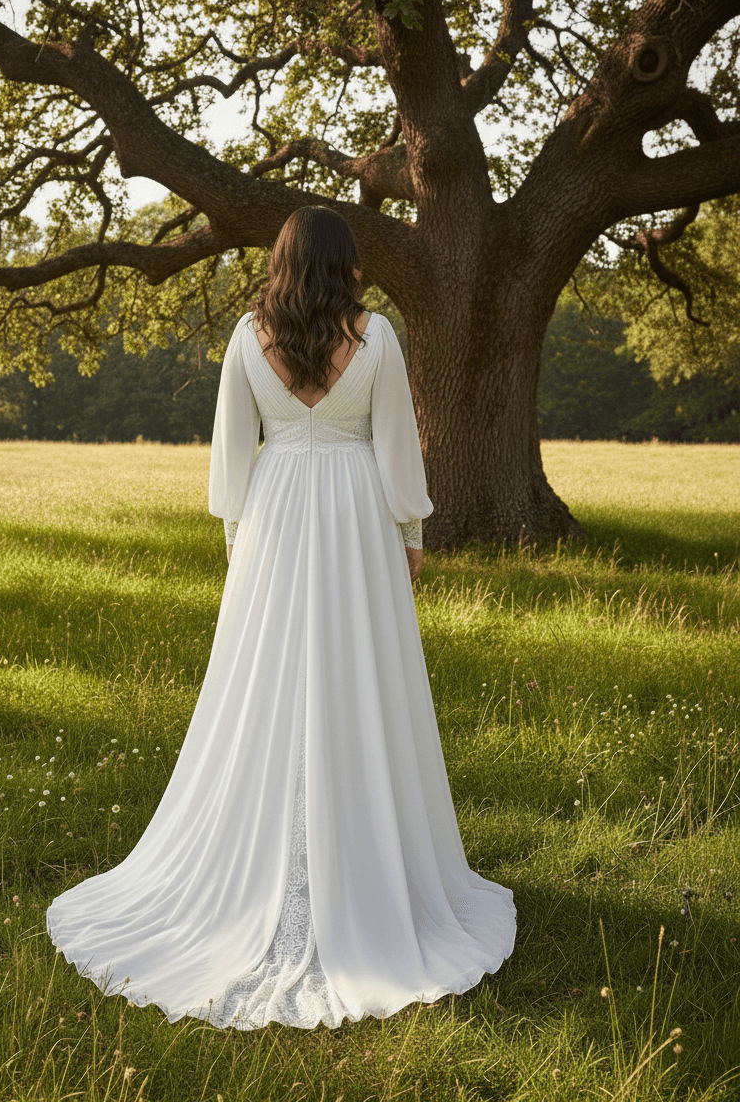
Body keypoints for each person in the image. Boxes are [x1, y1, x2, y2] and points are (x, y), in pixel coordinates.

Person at [47, 206, 516, 1030]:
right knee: (354, 676)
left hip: (274, 517)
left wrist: (238, 531)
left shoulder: (246, 335)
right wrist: (410, 529)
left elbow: (234, 451)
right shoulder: (376, 338)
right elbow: (398, 446)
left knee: (263, 681)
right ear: (347, 263)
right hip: (355, 516)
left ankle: (281, 851)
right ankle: (359, 852)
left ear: (281, 261)